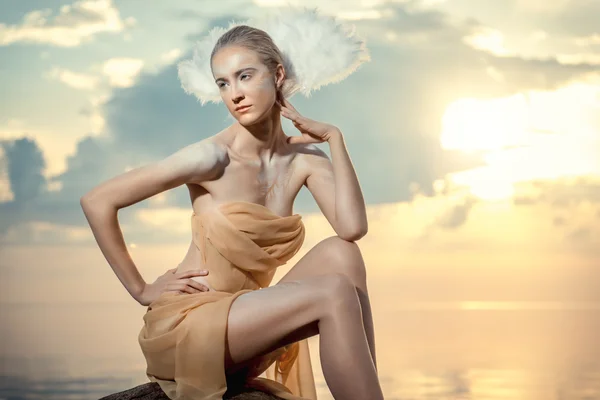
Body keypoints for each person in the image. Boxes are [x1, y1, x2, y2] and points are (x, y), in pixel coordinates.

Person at [80, 8, 382, 400]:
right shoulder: (209, 158)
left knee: (344, 256)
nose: (234, 94)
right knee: (333, 291)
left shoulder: (305, 159)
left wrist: (335, 139)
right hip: (190, 328)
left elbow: (352, 229)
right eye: (222, 83)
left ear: (277, 76)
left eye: (245, 76)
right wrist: (141, 289)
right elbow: (97, 201)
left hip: (248, 323)